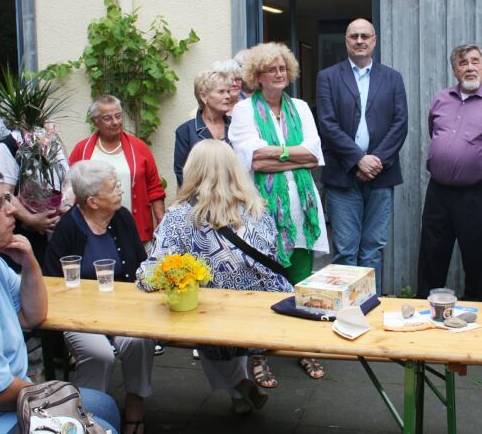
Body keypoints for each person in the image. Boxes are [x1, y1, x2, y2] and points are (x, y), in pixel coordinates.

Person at [0, 160, 119, 433]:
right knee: (101, 425)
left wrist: (29, 262)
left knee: (103, 406)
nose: (12, 210)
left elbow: (32, 316)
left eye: (7, 199)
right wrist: (54, 394)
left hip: (7, 398)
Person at [136, 140, 292, 415]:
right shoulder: (258, 208)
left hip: (216, 321)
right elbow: (280, 254)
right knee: (224, 312)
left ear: (192, 171)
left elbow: (150, 275)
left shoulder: (182, 217)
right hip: (266, 311)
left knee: (202, 316)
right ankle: (239, 393)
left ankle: (239, 386)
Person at [229, 41, 329, 381]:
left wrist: (277, 154)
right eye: (272, 69)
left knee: (301, 276)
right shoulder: (243, 111)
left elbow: (314, 155)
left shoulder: (300, 107)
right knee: (261, 276)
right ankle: (258, 355)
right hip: (261, 207)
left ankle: (301, 347)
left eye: (284, 67)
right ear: (257, 76)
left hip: (301, 207)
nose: (280, 73)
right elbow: (251, 158)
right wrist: (293, 153)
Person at [45, 160, 153, 432]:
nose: (120, 190)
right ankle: (87, 414)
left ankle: (135, 402)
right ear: (92, 201)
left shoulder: (122, 218)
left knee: (139, 340)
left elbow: (141, 266)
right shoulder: (69, 228)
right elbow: (51, 280)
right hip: (79, 312)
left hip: (124, 308)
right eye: (114, 187)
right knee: (99, 353)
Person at [316, 18, 408, 294]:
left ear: (374, 40)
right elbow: (327, 125)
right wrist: (358, 159)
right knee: (345, 250)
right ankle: (343, 311)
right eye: (353, 36)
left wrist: (375, 161)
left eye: (364, 36)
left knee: (373, 249)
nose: (359, 41)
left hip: (381, 176)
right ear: (346, 41)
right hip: (342, 176)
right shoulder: (328, 77)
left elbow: (400, 123)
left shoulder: (392, 78)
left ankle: (370, 306)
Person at [416, 44, 482, 301]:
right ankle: (426, 309)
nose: (469, 67)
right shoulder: (441, 98)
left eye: (475, 61)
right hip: (439, 192)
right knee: (432, 254)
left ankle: (475, 310)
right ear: (455, 70)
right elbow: (434, 132)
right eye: (462, 62)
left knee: (474, 257)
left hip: (476, 193)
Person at [69, 94, 166, 245]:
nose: (115, 122)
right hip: (92, 233)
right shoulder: (82, 150)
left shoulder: (139, 148)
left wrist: (162, 224)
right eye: (107, 118)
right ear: (95, 121)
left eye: (118, 116)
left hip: (135, 231)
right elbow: (70, 189)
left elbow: (154, 188)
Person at [0, 124, 69, 269]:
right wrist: (31, 219)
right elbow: (4, 192)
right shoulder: (7, 147)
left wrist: (65, 206)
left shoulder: (52, 142)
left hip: (57, 227)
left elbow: (67, 179)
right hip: (24, 232)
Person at [175, 66, 233, 187]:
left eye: (228, 91)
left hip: (236, 199)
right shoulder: (185, 131)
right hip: (200, 201)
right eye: (221, 91)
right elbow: (182, 174)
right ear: (204, 96)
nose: (228, 96)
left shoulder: (236, 125)